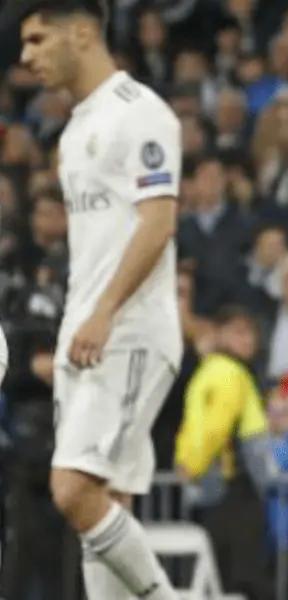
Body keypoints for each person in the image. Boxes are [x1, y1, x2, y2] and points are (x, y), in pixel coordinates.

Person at [7, 1, 184, 598]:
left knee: (73, 490)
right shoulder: (77, 127)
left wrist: (104, 312)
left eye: (36, 39)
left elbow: (157, 223)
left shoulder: (140, 115)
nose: (25, 55)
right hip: (85, 336)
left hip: (126, 332)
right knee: (104, 508)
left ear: (81, 33)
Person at [174, 305, 275, 600]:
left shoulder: (209, 372)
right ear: (219, 335)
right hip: (233, 487)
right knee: (245, 579)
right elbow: (215, 428)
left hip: (218, 487)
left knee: (225, 578)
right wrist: (192, 465)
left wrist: (186, 463)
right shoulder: (230, 373)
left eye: (251, 333)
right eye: (238, 332)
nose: (248, 340)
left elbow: (193, 427)